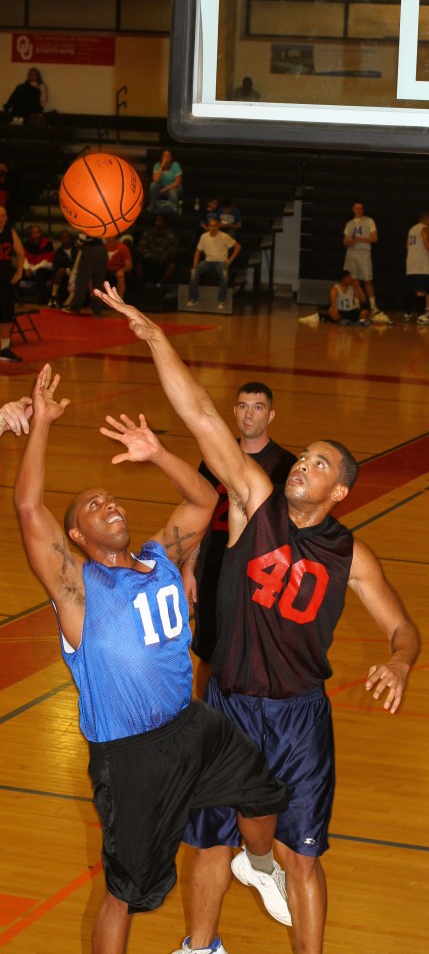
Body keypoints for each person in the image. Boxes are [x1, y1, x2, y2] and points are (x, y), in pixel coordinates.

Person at [92, 281, 422, 954]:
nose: (303, 465)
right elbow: (203, 420)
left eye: (319, 464)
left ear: (341, 491)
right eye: (303, 458)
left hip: (299, 716)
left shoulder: (350, 553)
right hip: (227, 706)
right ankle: (200, 946)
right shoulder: (254, 502)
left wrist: (400, 659)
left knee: (303, 857)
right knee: (207, 841)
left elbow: (403, 627)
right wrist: (155, 336)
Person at [14, 364, 290, 954]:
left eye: (110, 496)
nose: (108, 503)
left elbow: (203, 497)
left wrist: (158, 453)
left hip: (193, 729)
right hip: (131, 758)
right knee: (129, 892)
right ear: (79, 539)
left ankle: (260, 866)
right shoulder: (78, 589)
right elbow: (29, 509)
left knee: (265, 793)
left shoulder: (160, 556)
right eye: (92, 506)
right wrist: (41, 425)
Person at [182, 382, 296, 688]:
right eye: (243, 406)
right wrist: (189, 567)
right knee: (208, 653)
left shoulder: (285, 465)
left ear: (270, 416)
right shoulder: (214, 458)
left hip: (260, 574)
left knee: (256, 654)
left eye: (258, 408)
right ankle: (206, 721)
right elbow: (199, 515)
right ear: (234, 411)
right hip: (214, 567)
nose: (249, 415)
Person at [343, 201, 388, 318]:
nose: (359, 210)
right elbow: (344, 241)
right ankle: (357, 305)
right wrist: (350, 242)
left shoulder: (369, 221)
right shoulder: (349, 223)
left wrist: (360, 239)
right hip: (352, 253)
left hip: (364, 253)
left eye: (361, 208)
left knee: (367, 280)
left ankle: (373, 306)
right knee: (354, 281)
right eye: (357, 208)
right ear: (353, 209)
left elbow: (375, 238)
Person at [188, 218, 241, 311]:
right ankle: (193, 298)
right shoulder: (204, 236)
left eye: (215, 226)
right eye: (211, 226)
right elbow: (198, 251)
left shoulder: (224, 236)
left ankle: (221, 300)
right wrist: (194, 265)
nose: (213, 228)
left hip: (221, 261)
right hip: (208, 261)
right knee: (194, 272)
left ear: (218, 226)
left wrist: (230, 260)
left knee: (224, 275)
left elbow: (238, 246)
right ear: (208, 227)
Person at [404, 209, 429, 325]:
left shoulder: (412, 229)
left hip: (410, 263)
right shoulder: (425, 228)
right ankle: (421, 316)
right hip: (421, 264)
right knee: (421, 290)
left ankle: (407, 314)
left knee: (410, 290)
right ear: (428, 218)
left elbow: (407, 245)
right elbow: (427, 244)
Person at [298, 270, 374, 327]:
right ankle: (344, 321)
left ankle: (350, 322)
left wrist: (358, 286)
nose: (351, 279)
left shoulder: (352, 287)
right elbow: (333, 304)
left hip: (351, 310)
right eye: (349, 277)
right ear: (343, 279)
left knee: (365, 312)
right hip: (340, 311)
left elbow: (363, 300)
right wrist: (335, 311)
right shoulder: (335, 289)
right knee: (331, 312)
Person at [0, 204, 25, 362]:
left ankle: (5, 348)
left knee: (6, 314)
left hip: (5, 279)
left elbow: (21, 252)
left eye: (3, 216)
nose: (1, 219)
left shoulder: (10, 232)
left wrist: (19, 272)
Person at [67, 234, 108, 316]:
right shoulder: (103, 222)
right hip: (102, 250)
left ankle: (75, 307)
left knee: (82, 280)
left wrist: (79, 245)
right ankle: (97, 310)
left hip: (90, 249)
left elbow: (80, 242)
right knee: (99, 281)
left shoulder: (87, 223)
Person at [135, 214, 177, 286]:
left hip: (163, 260)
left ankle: (160, 283)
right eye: (156, 221)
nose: (157, 223)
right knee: (139, 262)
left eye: (160, 221)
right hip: (148, 257)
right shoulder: (148, 233)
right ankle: (141, 284)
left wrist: (162, 258)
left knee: (172, 265)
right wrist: (149, 255)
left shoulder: (171, 236)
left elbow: (172, 251)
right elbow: (141, 247)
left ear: (165, 223)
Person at [22, 224, 54, 305]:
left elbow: (47, 262)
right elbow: (24, 258)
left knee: (40, 272)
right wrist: (27, 268)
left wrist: (32, 270)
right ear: (31, 235)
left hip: (44, 271)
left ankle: (41, 302)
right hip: (30, 270)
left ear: (41, 234)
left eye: (38, 233)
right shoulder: (27, 244)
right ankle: (15, 301)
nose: (36, 235)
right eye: (34, 233)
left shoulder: (47, 245)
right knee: (16, 273)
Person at [48, 230, 78, 308]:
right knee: (61, 271)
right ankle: (53, 296)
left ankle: (70, 300)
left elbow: (79, 263)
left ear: (70, 238)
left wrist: (71, 268)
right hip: (64, 273)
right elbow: (57, 267)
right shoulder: (58, 252)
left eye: (67, 237)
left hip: (76, 272)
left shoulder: (77, 249)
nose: (66, 240)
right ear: (60, 239)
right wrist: (67, 269)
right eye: (63, 238)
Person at [149, 150, 183, 215]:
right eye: (165, 155)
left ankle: (174, 209)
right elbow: (155, 180)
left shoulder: (175, 165)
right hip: (161, 186)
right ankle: (152, 206)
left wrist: (166, 189)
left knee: (172, 191)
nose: (166, 157)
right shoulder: (157, 165)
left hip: (174, 186)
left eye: (168, 155)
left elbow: (178, 182)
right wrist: (162, 166)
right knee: (153, 185)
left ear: (171, 157)